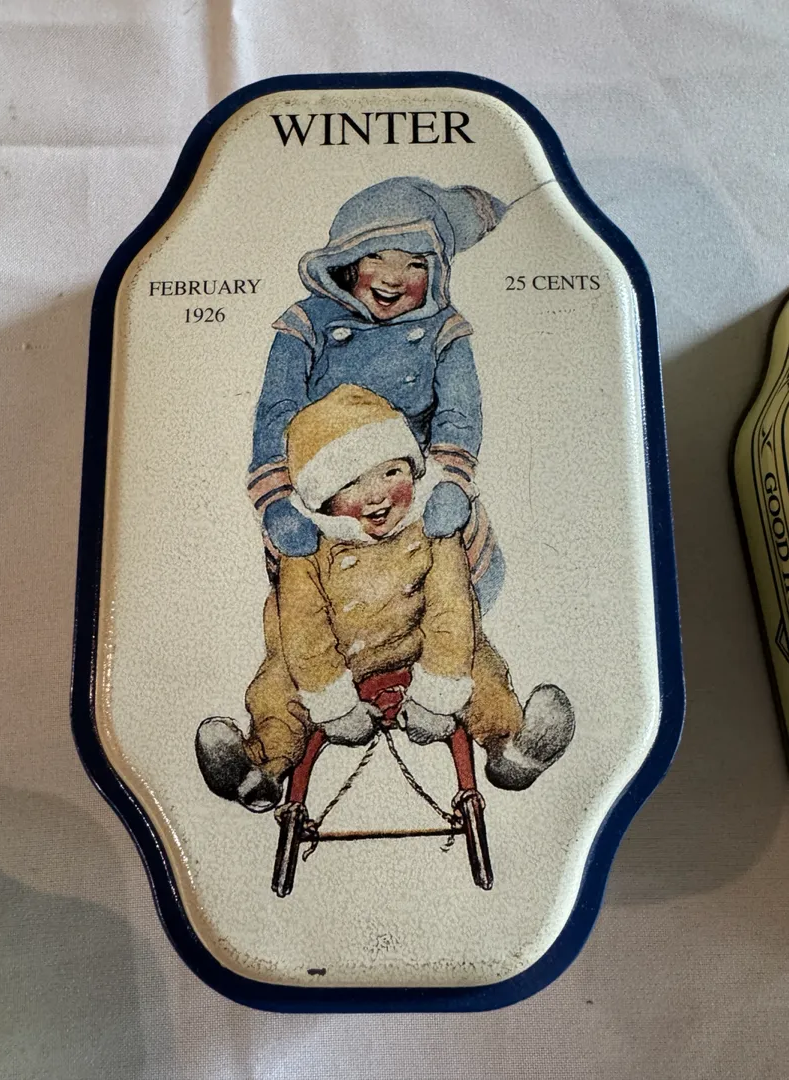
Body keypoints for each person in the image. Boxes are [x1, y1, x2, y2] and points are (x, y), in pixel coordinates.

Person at [197, 385, 574, 812]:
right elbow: (304, 633)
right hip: (330, 658)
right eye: (351, 482)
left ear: (412, 469)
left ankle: (512, 746)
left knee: (478, 665)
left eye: (391, 472)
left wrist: (436, 696)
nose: (376, 494)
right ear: (322, 497)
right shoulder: (307, 550)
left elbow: (451, 610)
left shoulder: (432, 527)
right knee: (279, 687)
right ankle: (260, 767)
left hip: (417, 644)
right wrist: (336, 707)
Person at [247, 176, 512, 612]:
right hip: (328, 484)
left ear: (437, 272)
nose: (393, 278)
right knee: (318, 590)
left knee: (444, 579)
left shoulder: (445, 330)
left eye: (415, 264)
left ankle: (452, 644)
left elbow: (459, 413)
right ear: (347, 259)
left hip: (411, 481)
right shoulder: (306, 324)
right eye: (377, 256)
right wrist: (276, 500)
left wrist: (450, 481)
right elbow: (277, 410)